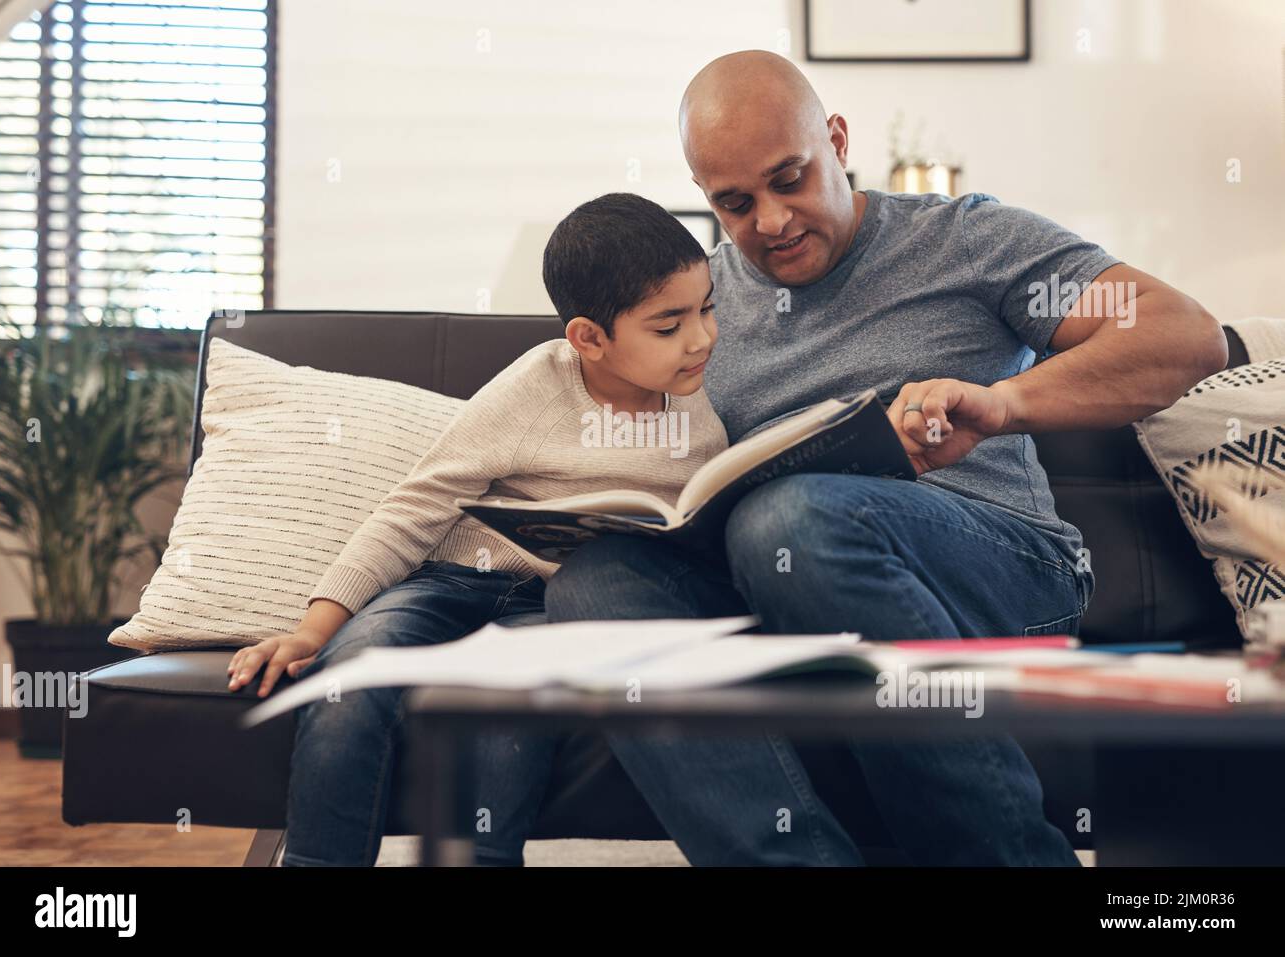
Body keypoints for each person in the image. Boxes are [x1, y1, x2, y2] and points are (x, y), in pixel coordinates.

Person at [542, 50, 1228, 866]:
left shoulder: (965, 238)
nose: (771, 221)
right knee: (597, 584)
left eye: (790, 178)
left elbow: (1184, 335)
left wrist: (1003, 404)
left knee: (787, 519)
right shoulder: (698, 309)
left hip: (1001, 569)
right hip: (782, 585)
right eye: (735, 203)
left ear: (836, 140)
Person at [225, 192, 726, 866]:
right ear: (589, 337)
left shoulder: (699, 419)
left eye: (708, 308)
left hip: (558, 611)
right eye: (669, 325)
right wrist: (315, 628)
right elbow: (416, 506)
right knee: (348, 683)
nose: (701, 338)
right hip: (451, 583)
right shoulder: (536, 388)